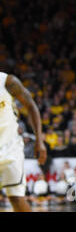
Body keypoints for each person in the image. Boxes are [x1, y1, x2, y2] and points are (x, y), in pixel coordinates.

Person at [0, 72, 47, 212]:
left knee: (17, 198)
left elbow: (31, 106)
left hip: (10, 148)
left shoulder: (8, 81)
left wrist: (39, 140)